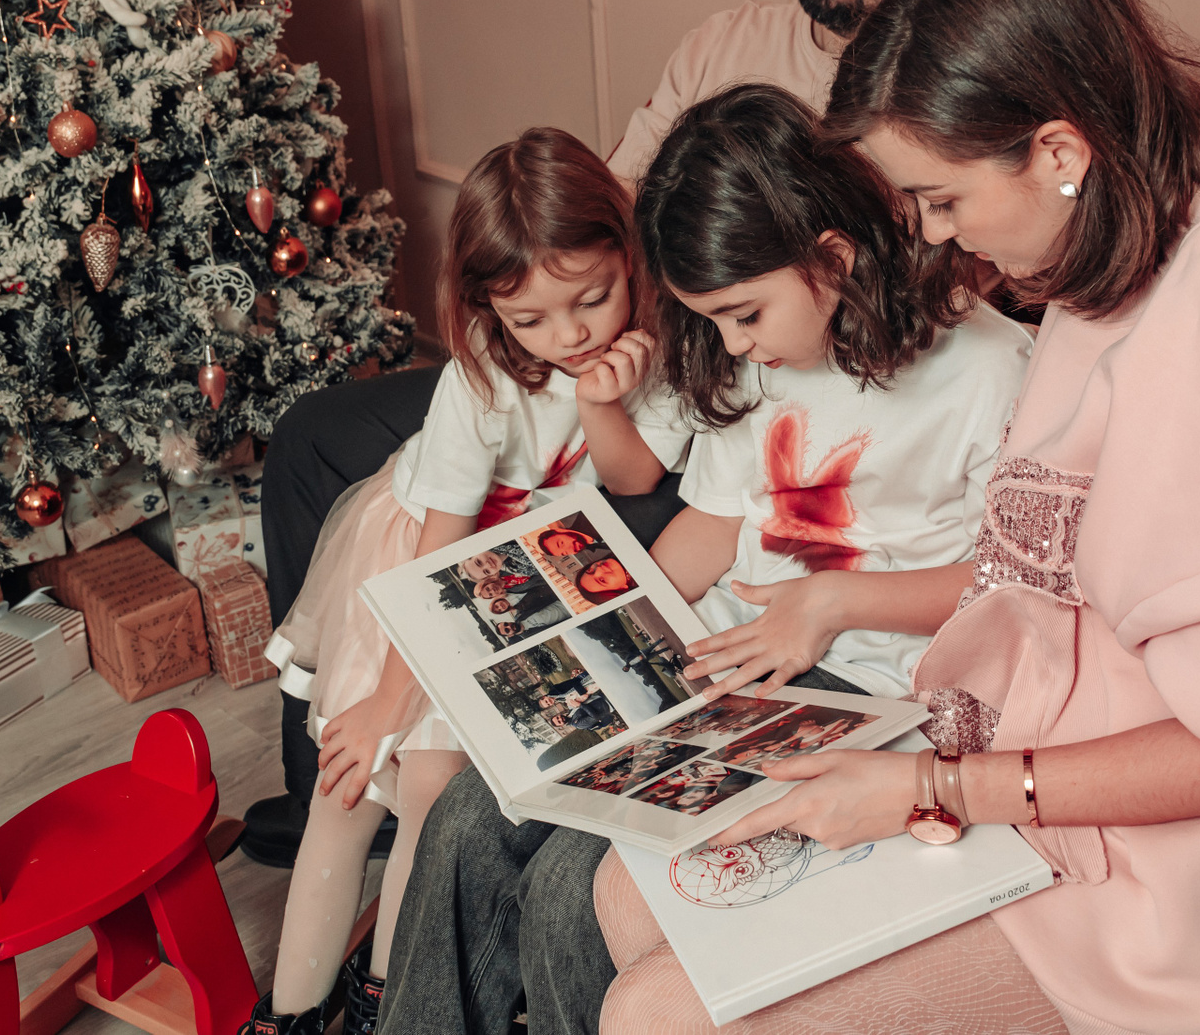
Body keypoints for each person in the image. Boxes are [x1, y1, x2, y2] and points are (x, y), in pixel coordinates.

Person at [592, 0, 1200, 1035]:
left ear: (1058, 148)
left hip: (1197, 866)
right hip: (1034, 728)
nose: (933, 235)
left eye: (941, 198)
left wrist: (933, 789)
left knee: (656, 1013)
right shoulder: (1149, 196)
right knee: (627, 892)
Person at [246, 0, 1016, 868]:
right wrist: (560, 335)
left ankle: (425, 798)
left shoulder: (935, 122)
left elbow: (896, 358)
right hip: (614, 346)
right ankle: (337, 789)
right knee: (316, 440)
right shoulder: (729, 42)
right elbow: (604, 207)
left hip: (694, 423)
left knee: (518, 537)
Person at [379, 83, 1033, 1035]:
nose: (732, 345)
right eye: (712, 318)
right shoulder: (756, 353)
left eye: (743, 314)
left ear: (833, 259)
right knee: (470, 820)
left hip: (866, 684)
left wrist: (832, 603)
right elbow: (713, 525)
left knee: (570, 890)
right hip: (717, 652)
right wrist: (602, 618)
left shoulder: (989, 370)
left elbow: (1012, 588)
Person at [244, 128, 692, 1035]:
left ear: (628, 256)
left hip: (526, 582)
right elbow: (436, 559)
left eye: (593, 299)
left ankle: (387, 998)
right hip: (424, 565)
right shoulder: (481, 376)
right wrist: (386, 704)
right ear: (489, 307)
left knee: (433, 795)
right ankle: (288, 1013)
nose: (570, 336)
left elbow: (635, 479)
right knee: (350, 778)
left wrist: (601, 403)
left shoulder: (657, 352)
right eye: (532, 320)